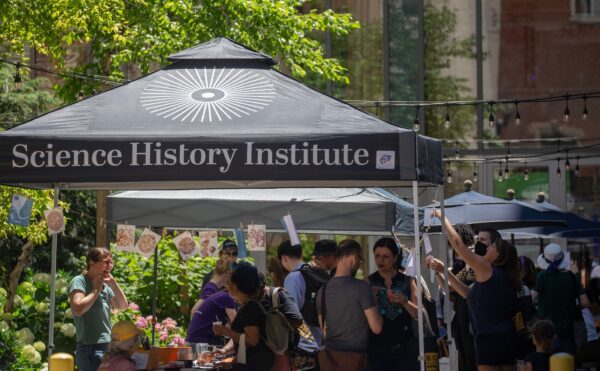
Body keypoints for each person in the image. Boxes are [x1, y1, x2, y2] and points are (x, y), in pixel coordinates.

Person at [427, 211, 520, 371]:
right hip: (506, 338)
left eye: (491, 246)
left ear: (498, 255)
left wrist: (443, 217)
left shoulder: (486, 269)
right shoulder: (504, 276)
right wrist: (444, 271)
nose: (486, 248)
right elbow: (466, 293)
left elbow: (457, 243)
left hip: (489, 339)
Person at [317, 239, 383, 371]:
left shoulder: (322, 290)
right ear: (354, 257)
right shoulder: (362, 288)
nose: (359, 264)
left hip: (330, 361)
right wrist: (375, 299)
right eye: (360, 260)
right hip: (355, 360)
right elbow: (377, 327)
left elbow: (324, 332)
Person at [68, 247, 128, 371]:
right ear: (92, 263)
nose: (110, 266)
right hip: (89, 347)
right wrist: (95, 290)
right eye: (106, 262)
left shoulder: (104, 285)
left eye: (111, 262)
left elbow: (123, 306)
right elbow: (77, 309)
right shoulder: (79, 281)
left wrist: (114, 284)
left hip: (107, 345)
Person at [367, 237, 420, 371]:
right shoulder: (367, 282)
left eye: (386, 256)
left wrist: (404, 302)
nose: (380, 260)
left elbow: (421, 314)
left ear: (395, 258)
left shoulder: (408, 281)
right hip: (376, 348)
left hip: (404, 348)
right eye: (377, 256)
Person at [531, 243, 590, 355]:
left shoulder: (542, 277)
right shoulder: (572, 277)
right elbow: (585, 303)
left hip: (546, 332)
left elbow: (530, 299)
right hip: (568, 331)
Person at [214, 262, 274, 371]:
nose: (228, 285)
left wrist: (226, 332)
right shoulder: (247, 305)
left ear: (236, 285)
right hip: (250, 363)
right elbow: (245, 344)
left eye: (230, 281)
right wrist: (232, 361)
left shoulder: (251, 307)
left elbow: (252, 340)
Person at [278, 240, 323, 357]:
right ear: (301, 254)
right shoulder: (315, 272)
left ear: (284, 258)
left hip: (305, 346)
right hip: (321, 341)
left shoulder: (292, 278)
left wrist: (308, 340)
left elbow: (293, 315)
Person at [187, 258, 237, 345]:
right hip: (199, 339)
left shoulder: (214, 289)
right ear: (227, 274)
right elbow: (194, 310)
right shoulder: (210, 290)